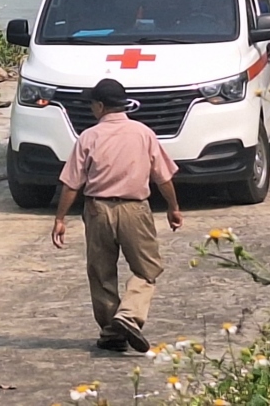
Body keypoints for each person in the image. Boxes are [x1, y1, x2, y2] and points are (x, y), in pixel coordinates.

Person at [52, 79, 183, 353]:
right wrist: (173, 207)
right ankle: (130, 314)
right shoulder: (143, 133)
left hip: (98, 209)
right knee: (147, 268)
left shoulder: (88, 136)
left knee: (101, 272)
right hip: (135, 209)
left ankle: (112, 330)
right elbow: (164, 177)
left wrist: (60, 219)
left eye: (92, 104)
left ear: (100, 106)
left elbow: (72, 183)